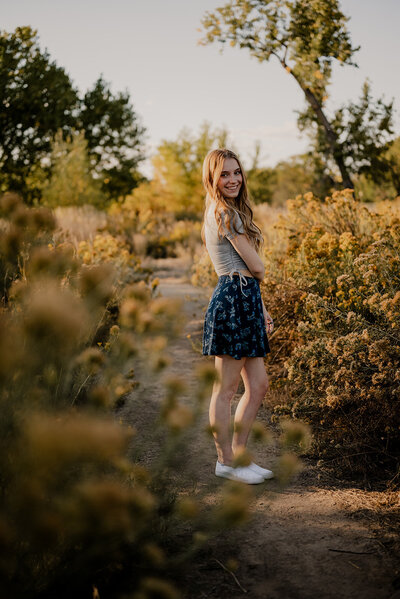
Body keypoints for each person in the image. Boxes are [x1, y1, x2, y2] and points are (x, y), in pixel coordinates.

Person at [201, 148, 274, 485]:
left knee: (258, 385)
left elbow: (248, 273)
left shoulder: (228, 211)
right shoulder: (224, 214)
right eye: (224, 174)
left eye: (236, 173)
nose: (232, 180)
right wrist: (258, 275)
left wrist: (262, 309)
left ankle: (240, 457)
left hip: (245, 298)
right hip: (232, 301)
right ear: (212, 178)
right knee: (226, 389)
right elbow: (255, 267)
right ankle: (226, 463)